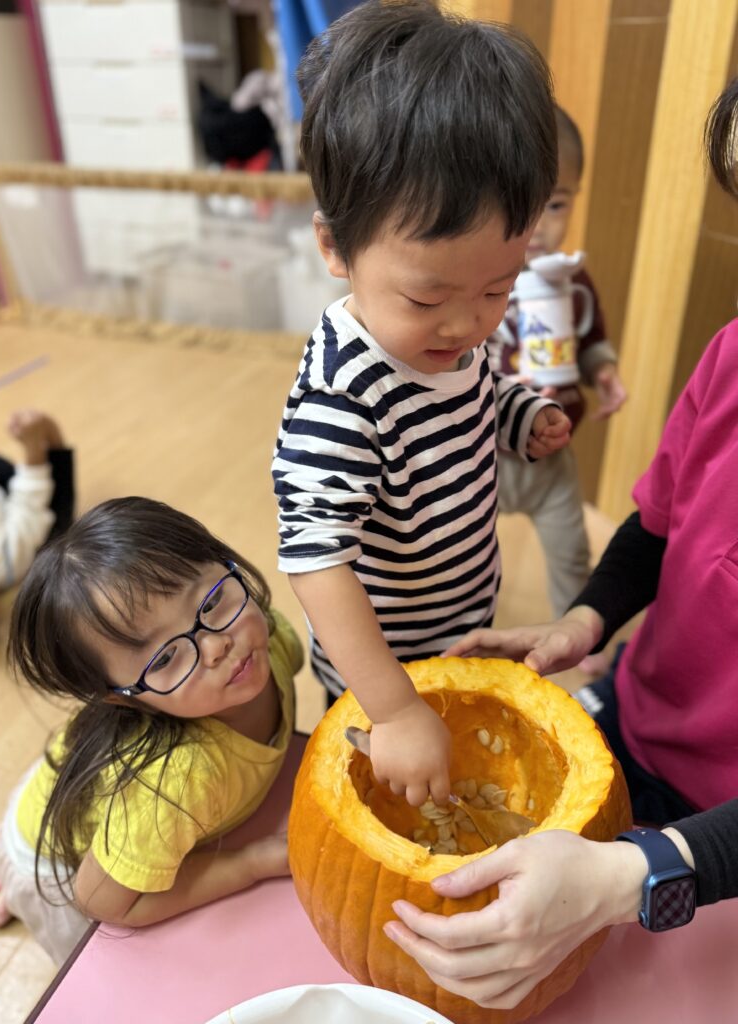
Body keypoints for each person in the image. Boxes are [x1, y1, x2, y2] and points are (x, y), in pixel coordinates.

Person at [382, 76, 738, 1011]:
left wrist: (637, 874)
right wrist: (583, 621)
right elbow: (658, 525)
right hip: (630, 720)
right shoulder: (731, 353)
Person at [271, 0, 571, 809]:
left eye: (497, 290)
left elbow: (471, 386)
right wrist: (393, 708)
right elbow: (314, 559)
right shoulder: (341, 400)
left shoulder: (444, 338)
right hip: (378, 666)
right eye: (428, 296)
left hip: (458, 617)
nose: (466, 324)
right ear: (335, 247)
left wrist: (517, 414)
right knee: (387, 801)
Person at [0, 496, 302, 965]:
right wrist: (250, 864)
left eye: (212, 602)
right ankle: (17, 890)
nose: (217, 646)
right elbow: (102, 901)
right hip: (56, 865)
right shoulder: (175, 781)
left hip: (94, 800)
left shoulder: (267, 638)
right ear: (122, 697)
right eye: (166, 658)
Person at [489, 106, 627, 617]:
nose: (539, 226)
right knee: (466, 563)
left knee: (572, 554)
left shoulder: (572, 278)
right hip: (484, 459)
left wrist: (603, 372)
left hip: (553, 458)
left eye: (556, 205)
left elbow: (591, 340)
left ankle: (577, 638)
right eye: (521, 205)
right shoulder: (480, 279)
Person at [0, 409, 75, 670]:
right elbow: (29, 504)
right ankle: (47, 436)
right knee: (56, 527)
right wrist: (34, 446)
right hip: (4, 495)